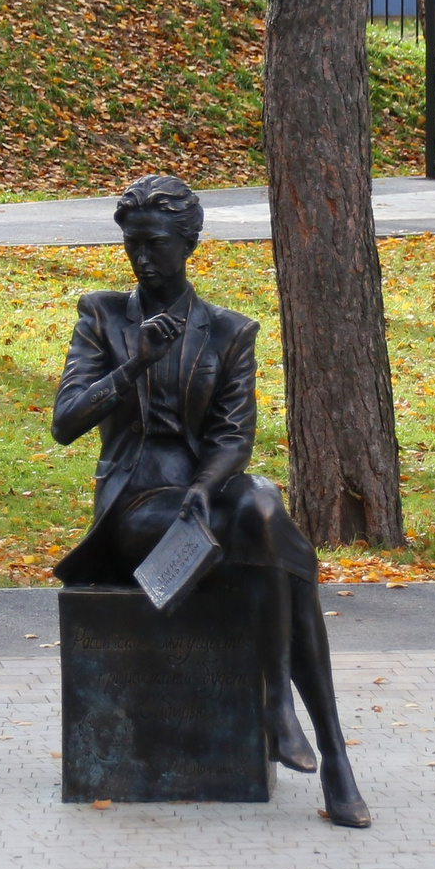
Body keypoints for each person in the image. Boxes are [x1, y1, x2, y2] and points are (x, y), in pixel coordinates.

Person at [51, 175, 370, 829]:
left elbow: (233, 436)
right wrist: (134, 365)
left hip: (206, 495)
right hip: (137, 506)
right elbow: (66, 421)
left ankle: (295, 720)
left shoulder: (228, 331)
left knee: (262, 506)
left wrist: (201, 488)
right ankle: (320, 744)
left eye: (157, 244)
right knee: (281, 555)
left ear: (189, 244)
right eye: (134, 244)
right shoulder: (102, 316)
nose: (143, 258)